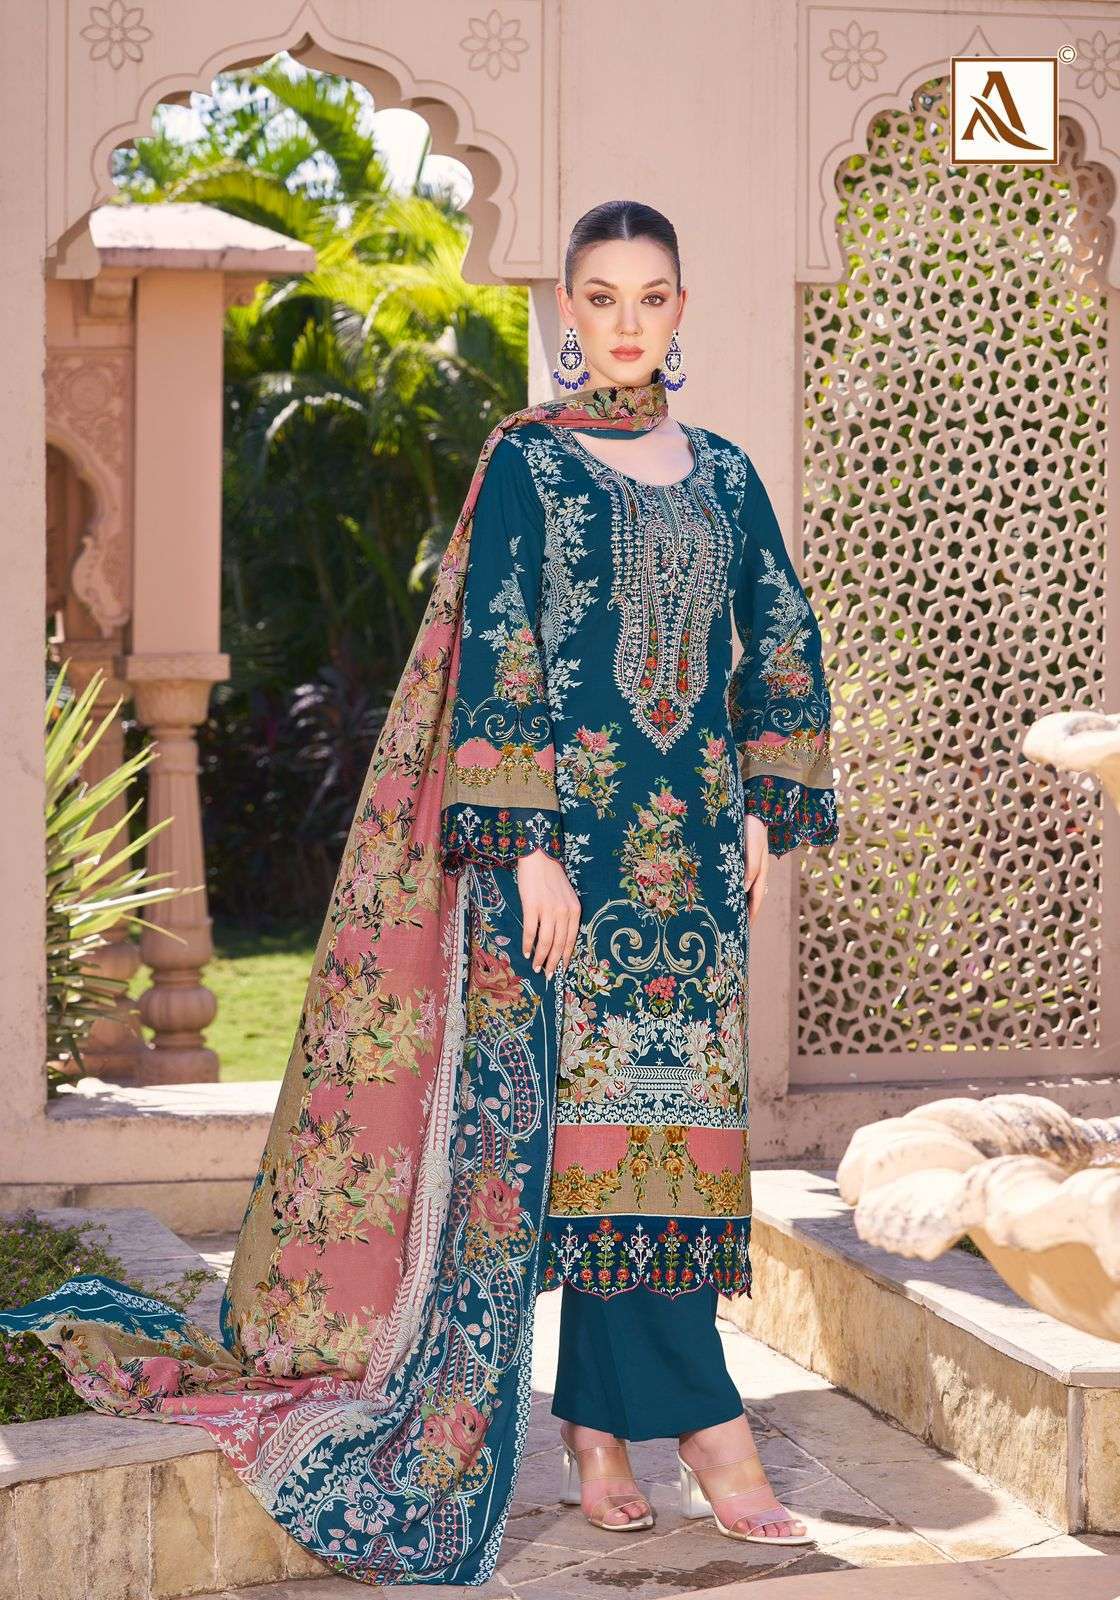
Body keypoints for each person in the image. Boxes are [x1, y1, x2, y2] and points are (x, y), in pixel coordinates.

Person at [0, 200, 837, 1584]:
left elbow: (785, 637)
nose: (627, 323)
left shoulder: (728, 478)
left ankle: (599, 1430)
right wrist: (525, 848)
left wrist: (763, 803)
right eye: (603, 297)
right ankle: (709, 1427)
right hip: (563, 868)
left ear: (682, 311)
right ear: (568, 312)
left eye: (652, 297)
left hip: (692, 875)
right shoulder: (528, 467)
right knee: (585, 1145)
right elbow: (497, 654)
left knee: (673, 1148)